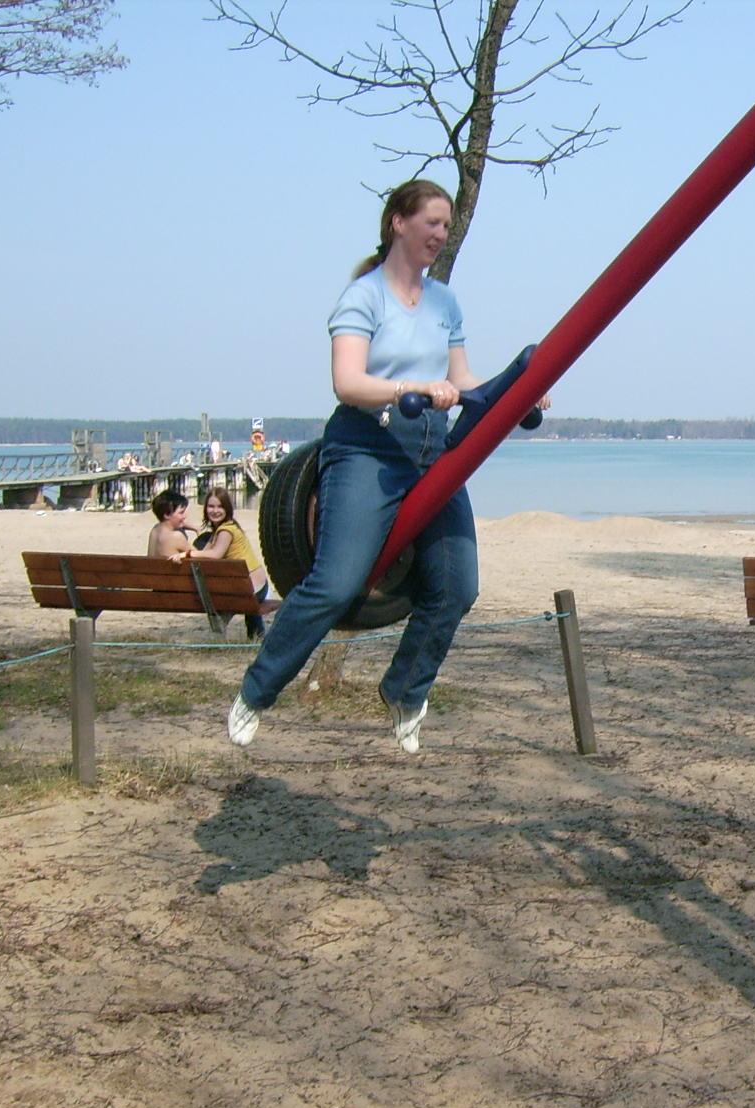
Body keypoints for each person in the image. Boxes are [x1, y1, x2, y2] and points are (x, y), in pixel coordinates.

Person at [225, 178, 549, 753]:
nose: (440, 234)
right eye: (432, 223)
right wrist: (409, 388)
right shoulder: (364, 297)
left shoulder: (445, 302)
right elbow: (348, 383)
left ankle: (404, 690)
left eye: (446, 225)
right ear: (399, 223)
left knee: (457, 587)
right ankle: (257, 690)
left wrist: (520, 392)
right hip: (368, 445)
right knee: (336, 583)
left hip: (431, 448)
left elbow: (462, 382)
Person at [174, 487, 271, 639]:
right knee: (240, 599)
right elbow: (206, 552)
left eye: (220, 507)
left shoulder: (226, 531)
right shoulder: (224, 528)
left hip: (252, 589)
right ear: (205, 508)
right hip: (254, 586)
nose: (215, 511)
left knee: (233, 599)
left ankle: (248, 634)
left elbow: (215, 554)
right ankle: (257, 636)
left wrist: (188, 553)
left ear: (227, 509)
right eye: (211, 506)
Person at [147, 489, 194, 558]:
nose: (184, 516)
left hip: (153, 565)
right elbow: (201, 558)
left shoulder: (155, 530)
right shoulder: (175, 536)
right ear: (167, 515)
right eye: (181, 512)